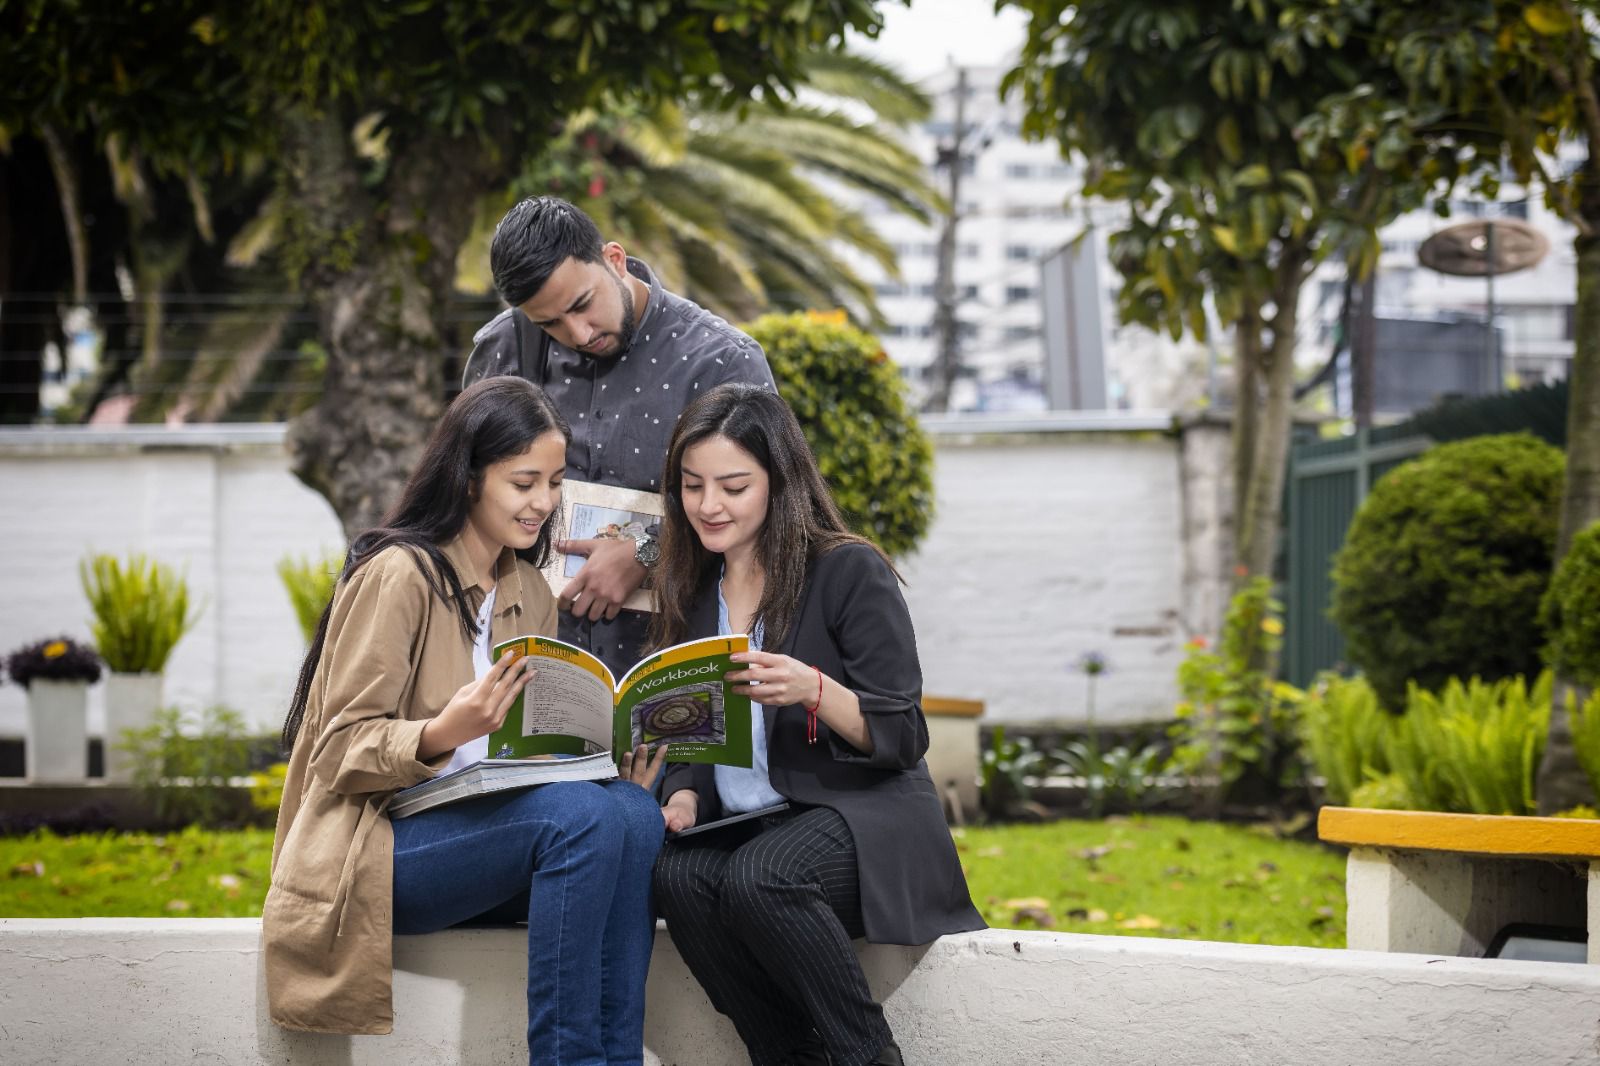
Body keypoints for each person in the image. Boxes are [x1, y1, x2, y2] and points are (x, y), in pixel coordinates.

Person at [263, 377, 668, 1065]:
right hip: (381, 846)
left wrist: (594, 758)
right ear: (469, 477)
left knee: (630, 811)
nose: (543, 502)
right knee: (584, 818)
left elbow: (518, 759)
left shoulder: (528, 590)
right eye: (523, 482)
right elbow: (337, 750)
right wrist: (442, 730)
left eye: (554, 482)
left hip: (487, 833)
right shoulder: (399, 576)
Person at [649, 383, 985, 1066]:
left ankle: (869, 1056)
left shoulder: (847, 570)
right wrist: (681, 792)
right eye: (692, 486)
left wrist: (817, 691)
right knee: (677, 876)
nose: (708, 505)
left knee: (762, 877)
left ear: (779, 481)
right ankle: (788, 1056)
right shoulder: (690, 593)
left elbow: (903, 733)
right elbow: (696, 742)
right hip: (748, 825)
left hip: (863, 818)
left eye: (733, 486)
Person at [468, 195, 777, 682]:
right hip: (527, 674)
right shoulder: (503, 350)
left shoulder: (723, 362)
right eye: (549, 323)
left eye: (582, 305)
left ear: (613, 259)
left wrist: (649, 553)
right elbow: (462, 495)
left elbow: (777, 507)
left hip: (677, 673)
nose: (578, 332)